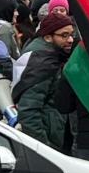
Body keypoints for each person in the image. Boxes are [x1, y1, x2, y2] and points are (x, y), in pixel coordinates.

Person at [11, 10, 81, 152]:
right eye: (64, 35)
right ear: (48, 37)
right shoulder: (43, 63)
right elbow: (29, 111)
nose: (70, 40)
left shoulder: (48, 54)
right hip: (48, 140)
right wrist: (44, 148)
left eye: (71, 34)